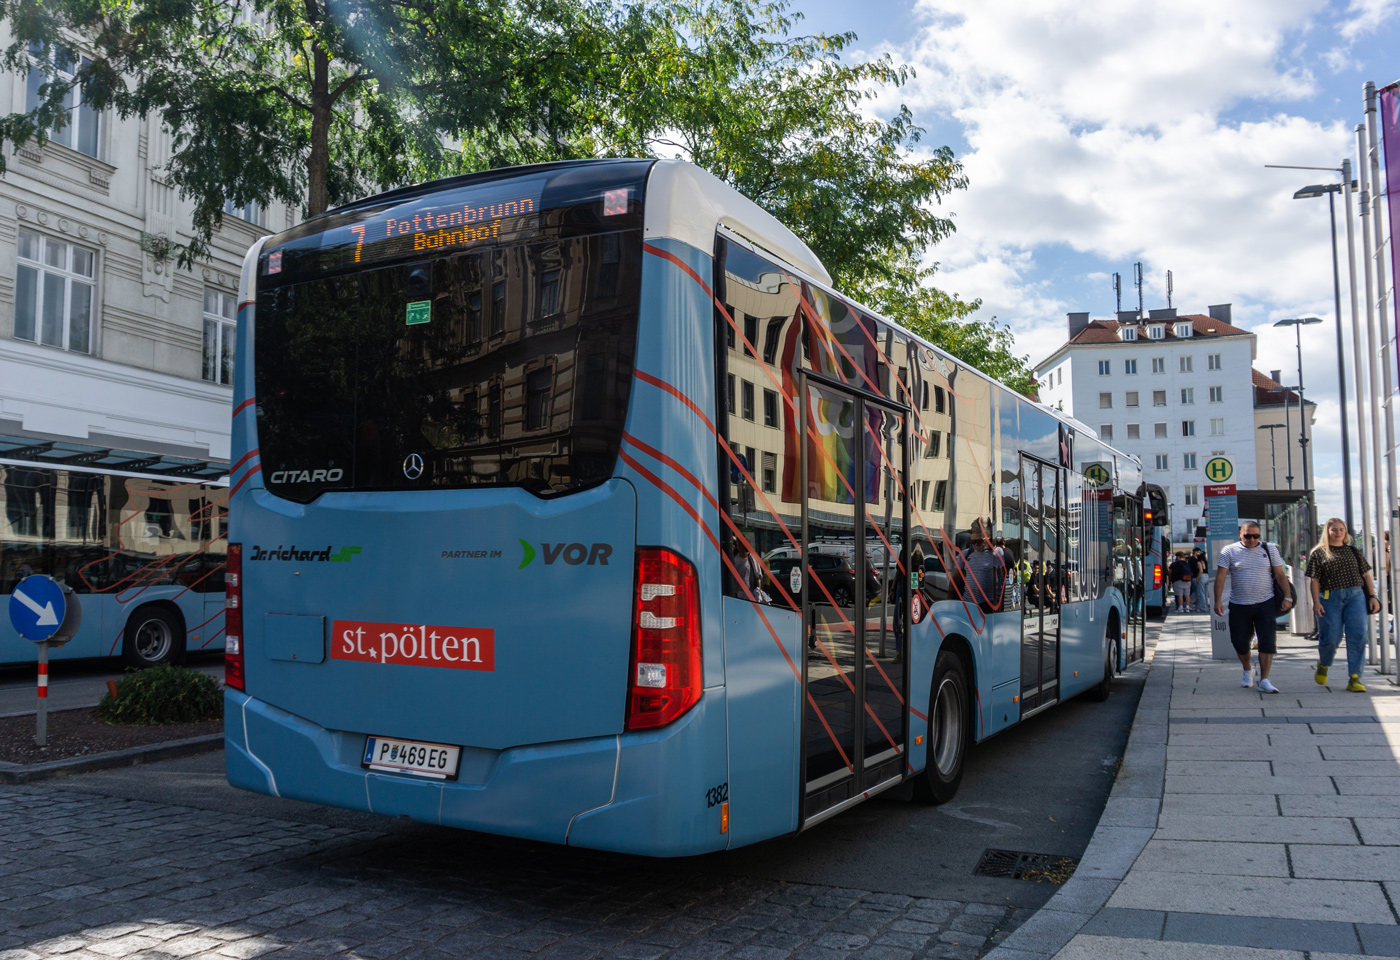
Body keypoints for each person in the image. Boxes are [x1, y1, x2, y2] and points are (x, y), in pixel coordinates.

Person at [1214, 521, 1294, 693]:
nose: (1252, 539)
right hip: (1239, 605)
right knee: (1240, 643)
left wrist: (1287, 596)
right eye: (1248, 536)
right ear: (1240, 534)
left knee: (1267, 642)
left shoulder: (1270, 549)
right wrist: (1218, 600)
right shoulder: (1229, 551)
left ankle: (1265, 679)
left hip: (1265, 603)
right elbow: (1220, 577)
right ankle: (1247, 669)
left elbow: (1280, 575)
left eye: (1255, 536)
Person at [1306, 518, 1381, 692]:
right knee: (1331, 637)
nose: (1338, 532)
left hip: (1355, 596)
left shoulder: (1353, 551)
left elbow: (1366, 576)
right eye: (1334, 530)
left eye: (1341, 529)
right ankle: (1324, 663)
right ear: (1328, 531)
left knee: (1358, 635)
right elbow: (1314, 580)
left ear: (1345, 532)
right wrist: (1316, 602)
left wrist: (1372, 597)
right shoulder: (1319, 553)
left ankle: (1355, 677)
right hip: (1329, 597)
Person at [1191, 547, 1211, 613]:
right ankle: (1206, 607)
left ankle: (1203, 608)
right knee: (1205, 594)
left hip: (1202, 577)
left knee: (1201, 593)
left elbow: (1201, 571)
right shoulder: (1206, 562)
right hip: (1207, 576)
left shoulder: (1199, 562)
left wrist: (1197, 578)